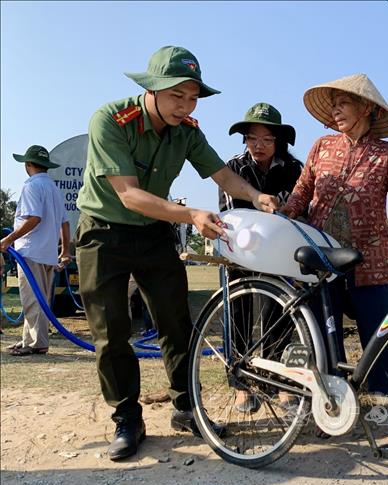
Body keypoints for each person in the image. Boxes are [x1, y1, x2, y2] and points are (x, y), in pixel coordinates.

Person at [75, 46, 279, 462]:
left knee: (176, 322)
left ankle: (188, 409)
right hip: (103, 232)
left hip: (153, 234)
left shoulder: (187, 130)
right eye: (176, 95)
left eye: (192, 98)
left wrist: (257, 196)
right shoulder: (110, 120)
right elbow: (129, 195)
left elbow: (222, 175)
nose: (184, 106)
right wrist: (191, 214)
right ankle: (127, 419)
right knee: (112, 332)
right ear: (152, 88)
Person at [282, 73, 388, 396]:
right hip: (322, 258)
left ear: (367, 108)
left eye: (344, 103)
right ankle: (331, 404)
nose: (336, 111)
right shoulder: (321, 147)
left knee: (382, 337)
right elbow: (300, 195)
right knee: (323, 338)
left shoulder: (387, 154)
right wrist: (280, 214)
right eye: (334, 105)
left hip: (369, 261)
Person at [218, 102, 302, 413]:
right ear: (244, 140)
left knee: (278, 315)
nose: (259, 145)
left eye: (267, 139)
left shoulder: (295, 170)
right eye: (253, 137)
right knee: (238, 315)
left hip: (279, 255)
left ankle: (277, 382)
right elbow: (230, 214)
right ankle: (241, 384)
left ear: (278, 141)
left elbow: (299, 210)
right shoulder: (233, 169)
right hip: (240, 252)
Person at [0, 146, 71, 356]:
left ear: (28, 165)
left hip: (31, 252)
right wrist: (65, 249)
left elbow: (34, 218)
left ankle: (36, 343)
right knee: (39, 300)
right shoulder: (53, 188)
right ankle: (28, 339)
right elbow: (65, 223)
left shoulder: (32, 186)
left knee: (32, 299)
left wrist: (8, 239)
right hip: (48, 252)